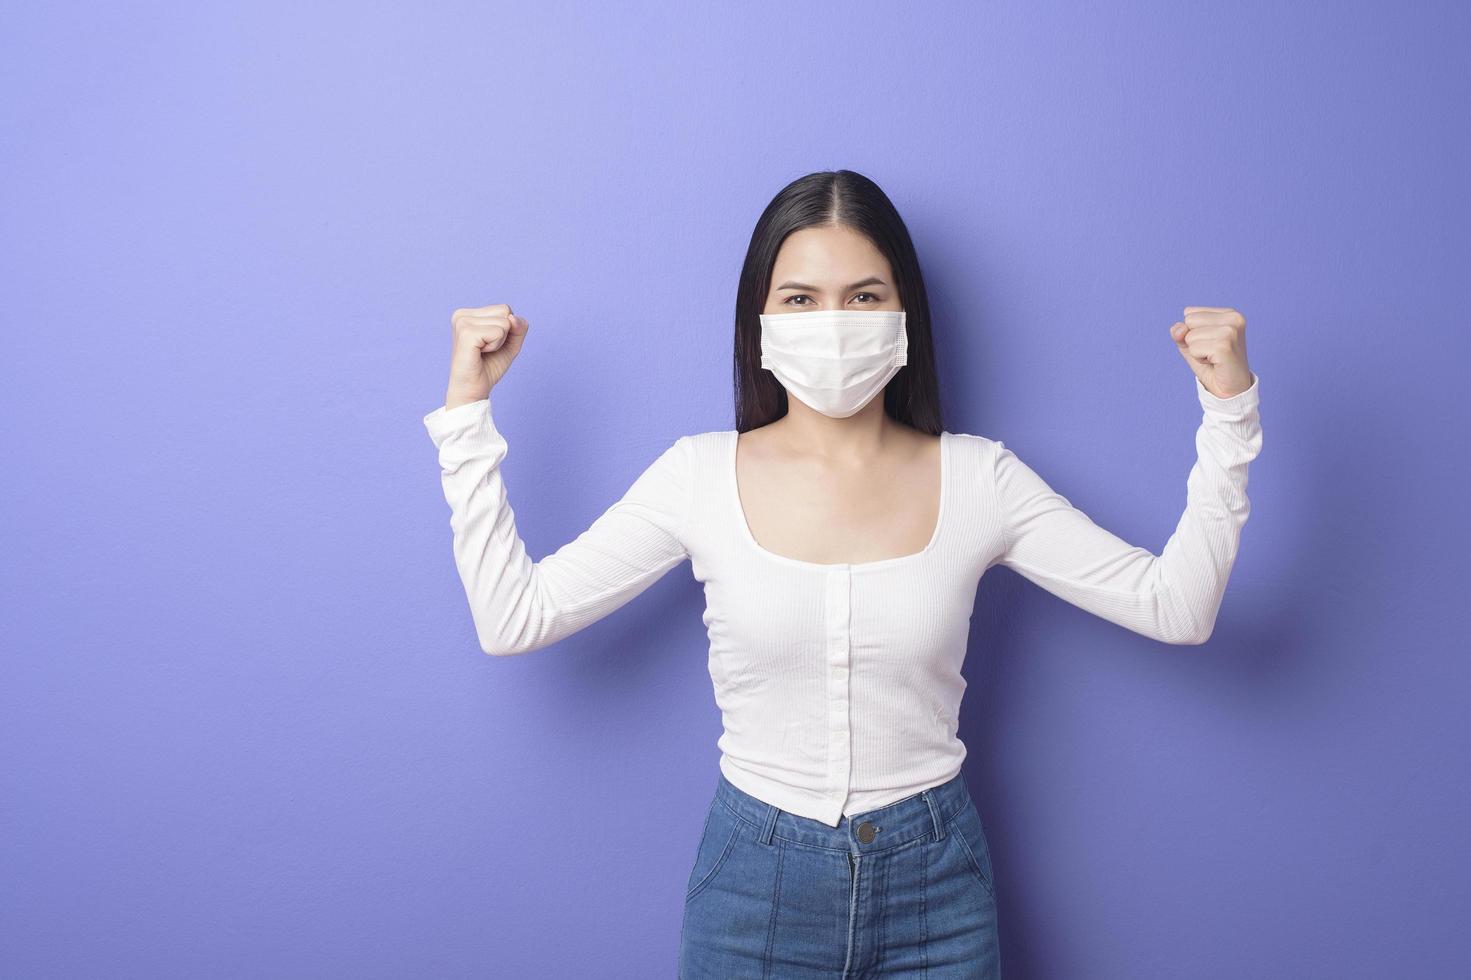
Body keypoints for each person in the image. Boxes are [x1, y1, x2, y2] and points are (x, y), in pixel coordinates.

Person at [422, 170, 1262, 979]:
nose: (834, 322)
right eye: (801, 299)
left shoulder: (980, 480)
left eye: (863, 296)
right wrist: (466, 417)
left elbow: (1174, 607)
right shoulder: (696, 478)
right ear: (761, 319)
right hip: (753, 884)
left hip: (937, 887)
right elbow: (514, 617)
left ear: (904, 316)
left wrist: (1229, 415)